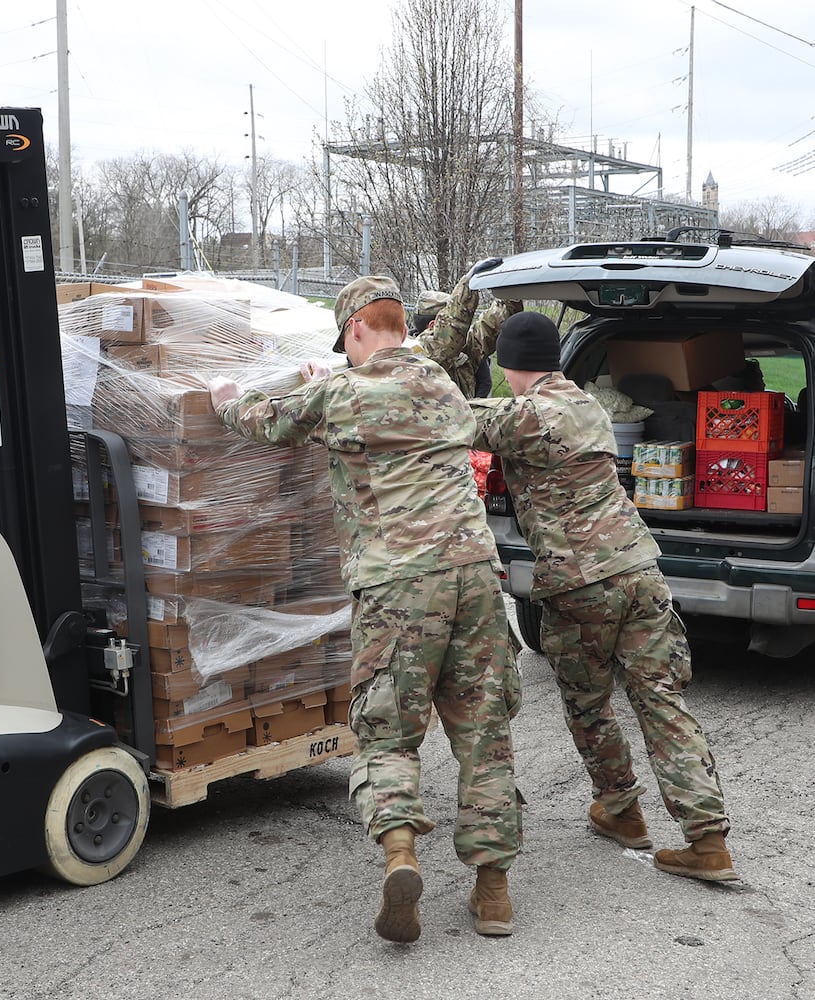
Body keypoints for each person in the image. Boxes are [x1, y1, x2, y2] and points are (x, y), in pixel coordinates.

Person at [206, 275, 521, 943]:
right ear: (398, 326)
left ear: (353, 331)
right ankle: (493, 892)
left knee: (387, 731)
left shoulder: (340, 391)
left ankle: (400, 856)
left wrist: (228, 399)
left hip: (397, 584)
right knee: (483, 732)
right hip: (474, 575)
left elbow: (268, 422)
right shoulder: (439, 381)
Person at [427, 306, 737, 882]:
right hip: (640, 569)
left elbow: (434, 412)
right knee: (663, 702)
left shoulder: (521, 416)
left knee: (589, 704)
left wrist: (442, 343)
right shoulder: (588, 403)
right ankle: (709, 840)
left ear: (508, 363)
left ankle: (620, 807)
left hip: (579, 582)